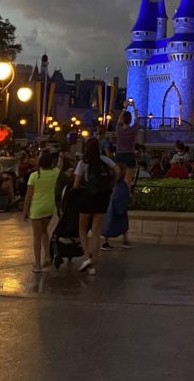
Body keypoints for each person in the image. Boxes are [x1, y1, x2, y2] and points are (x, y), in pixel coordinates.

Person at [72, 136, 118, 275]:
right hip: (102, 197)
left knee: (82, 228)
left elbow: (75, 185)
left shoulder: (83, 163)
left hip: (87, 196)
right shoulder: (104, 160)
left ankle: (87, 257)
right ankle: (94, 262)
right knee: (96, 231)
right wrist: (112, 184)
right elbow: (117, 169)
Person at [23, 150, 60, 272]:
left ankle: (38, 265)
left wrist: (25, 211)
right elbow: (60, 166)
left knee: (36, 236)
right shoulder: (55, 173)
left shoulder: (34, 176)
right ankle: (48, 256)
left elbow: (28, 196)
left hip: (37, 209)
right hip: (49, 207)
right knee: (45, 231)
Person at [101, 167, 133, 251]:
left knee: (120, 224)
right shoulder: (114, 184)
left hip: (116, 207)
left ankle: (124, 240)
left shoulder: (119, 184)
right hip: (113, 207)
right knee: (110, 224)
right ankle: (106, 242)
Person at [114, 109, 141, 184]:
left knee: (118, 177)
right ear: (130, 120)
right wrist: (134, 106)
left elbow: (118, 121)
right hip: (129, 154)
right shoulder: (132, 130)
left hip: (119, 154)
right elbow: (137, 121)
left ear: (123, 120)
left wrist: (124, 108)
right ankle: (127, 194)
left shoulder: (119, 130)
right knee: (128, 179)